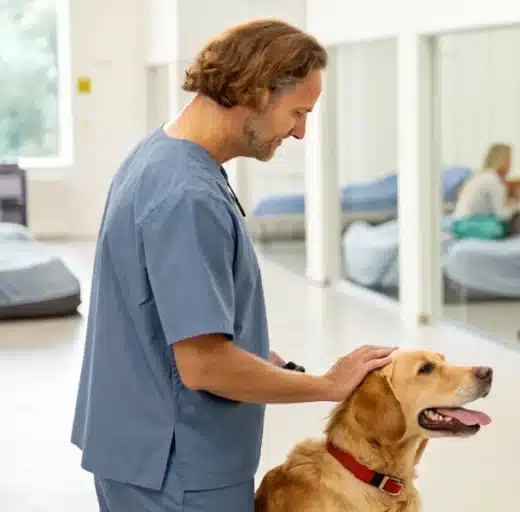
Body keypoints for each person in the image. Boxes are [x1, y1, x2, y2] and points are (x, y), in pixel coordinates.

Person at [70, 20, 396, 511]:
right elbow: (203, 366)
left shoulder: (158, 155)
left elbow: (163, 313)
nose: (302, 132)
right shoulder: (188, 195)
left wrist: (254, 352)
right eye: (298, 112)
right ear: (258, 91)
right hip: (180, 469)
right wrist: (328, 385)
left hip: (133, 449)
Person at [451, 142, 520, 236]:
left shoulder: (483, 175)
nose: (510, 164)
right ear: (501, 160)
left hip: (462, 223)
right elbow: (501, 214)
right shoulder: (493, 179)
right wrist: (516, 202)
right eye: (508, 159)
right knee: (505, 224)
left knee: (515, 219)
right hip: (467, 225)